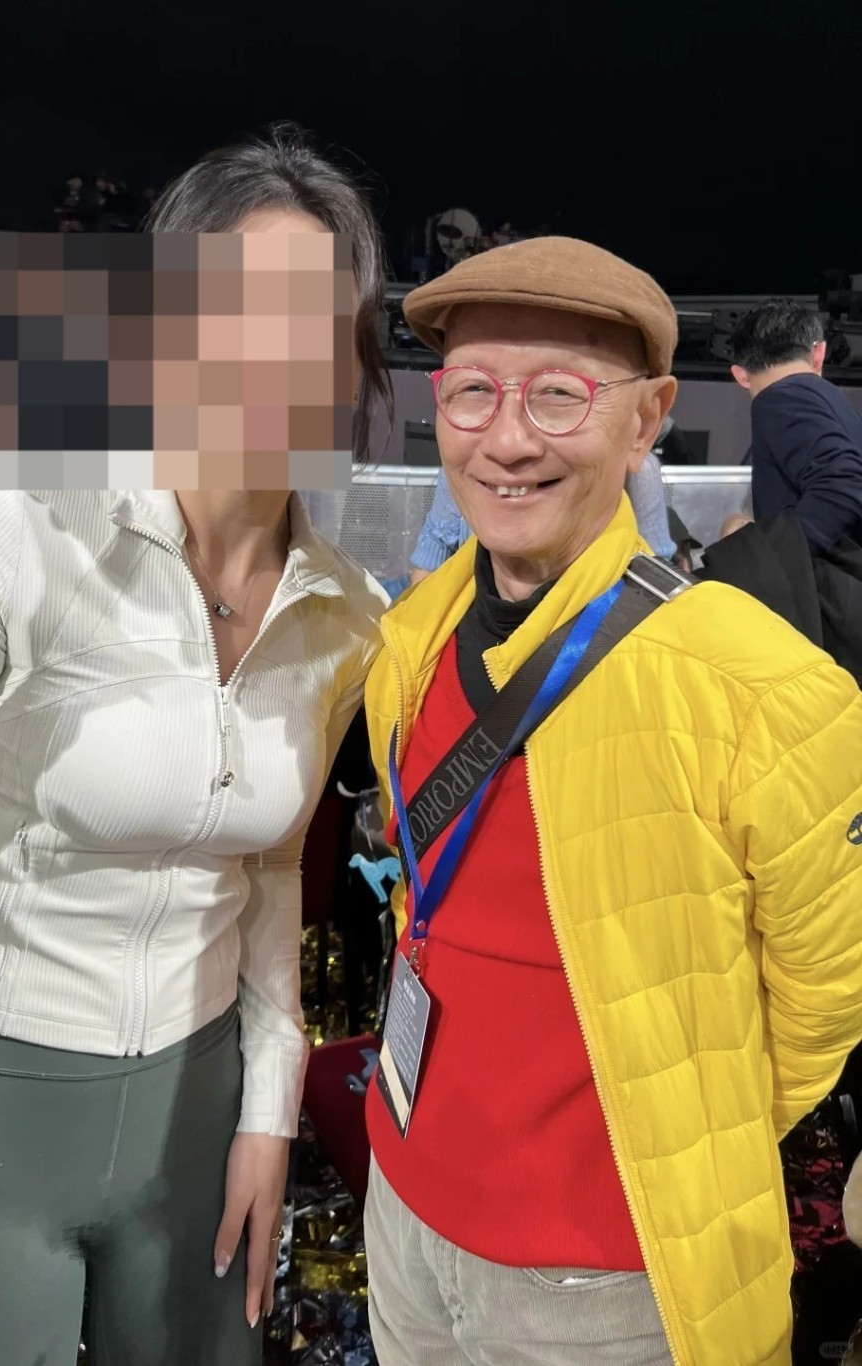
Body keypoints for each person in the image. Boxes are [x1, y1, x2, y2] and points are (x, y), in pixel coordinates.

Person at [0, 123, 391, 1366]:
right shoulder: (20, 522)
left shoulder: (346, 615)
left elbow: (267, 870)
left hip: (195, 1132)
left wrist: (267, 1110)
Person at [360, 236, 862, 1366]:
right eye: (474, 391)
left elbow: (822, 1001)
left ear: (647, 420)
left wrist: (677, 1129)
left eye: (559, 395)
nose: (506, 439)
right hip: (406, 1210)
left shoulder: (757, 686)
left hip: (608, 1281)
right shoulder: (410, 639)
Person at [408, 453, 676, 584]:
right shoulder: (463, 466)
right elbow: (429, 562)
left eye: (558, 393)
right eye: (477, 389)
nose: (508, 447)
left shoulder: (638, 471)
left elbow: (656, 572)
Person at [730, 299, 862, 551]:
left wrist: (763, 549)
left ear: (741, 375)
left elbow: (843, 484)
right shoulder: (836, 402)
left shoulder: (778, 398)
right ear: (818, 354)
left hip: (823, 574)